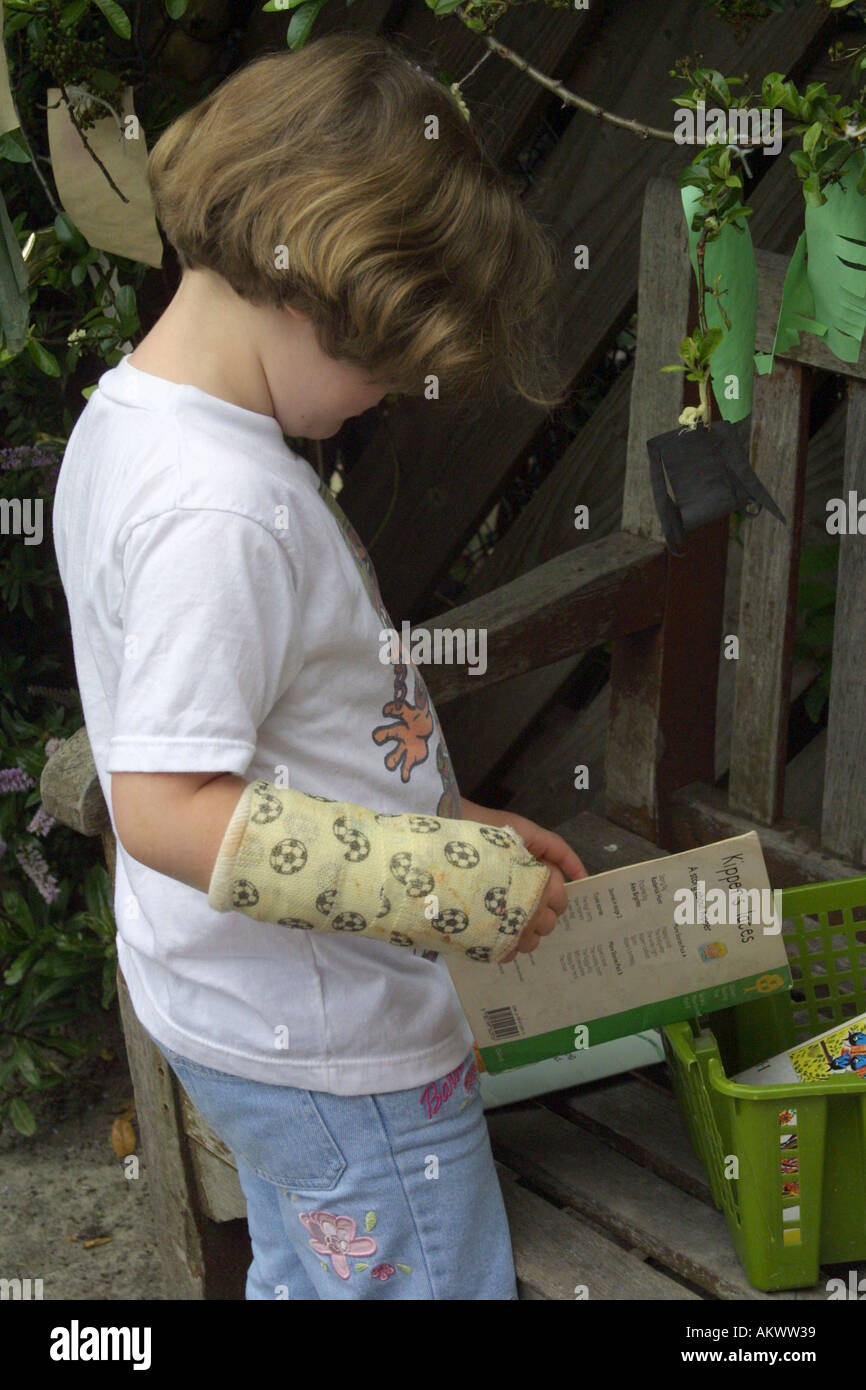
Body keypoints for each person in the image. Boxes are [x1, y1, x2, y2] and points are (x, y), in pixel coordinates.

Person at [53, 32, 585, 1300]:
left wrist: (449, 814)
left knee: (320, 1265)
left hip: (238, 1019)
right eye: (383, 368)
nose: (383, 399)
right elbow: (169, 806)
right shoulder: (220, 512)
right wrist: (446, 877)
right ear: (311, 293)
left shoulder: (136, 422)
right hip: (336, 1049)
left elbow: (294, 729)